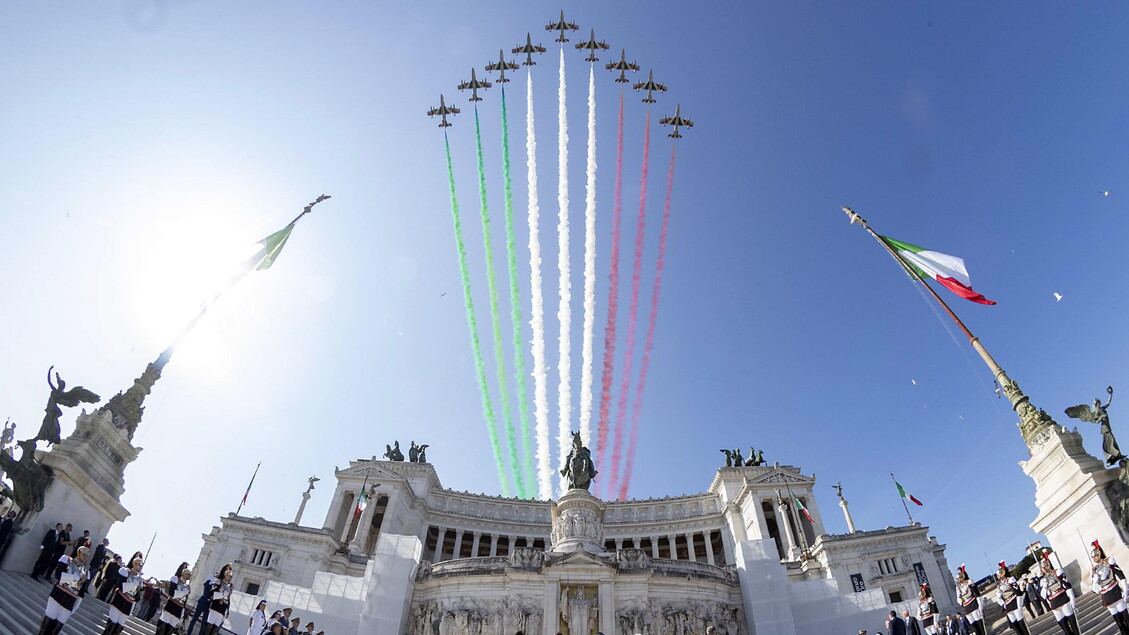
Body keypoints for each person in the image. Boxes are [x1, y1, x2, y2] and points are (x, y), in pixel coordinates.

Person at [38, 545, 89, 634]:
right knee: (47, 624)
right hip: (57, 595)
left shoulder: (86, 572)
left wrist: (75, 606)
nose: (85, 556)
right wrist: (72, 578)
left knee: (56, 628)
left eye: (87, 555)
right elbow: (58, 575)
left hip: (70, 601)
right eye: (84, 554)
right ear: (78, 553)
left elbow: (81, 592)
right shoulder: (67, 560)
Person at [1090, 540, 1129, 635]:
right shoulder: (1094, 570)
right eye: (1093, 556)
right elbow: (1096, 590)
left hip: (1115, 591)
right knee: (1119, 622)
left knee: (1126, 619)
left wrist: (1125, 589)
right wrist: (1095, 582)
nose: (1094, 558)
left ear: (1099, 553)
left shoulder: (1109, 561)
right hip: (1106, 596)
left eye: (1096, 555)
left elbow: (1121, 575)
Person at [1040, 554, 1080, 635]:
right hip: (1054, 604)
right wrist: (1044, 587)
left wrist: (1072, 599)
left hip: (1064, 600)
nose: (1044, 568)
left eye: (1045, 566)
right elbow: (1043, 596)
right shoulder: (1043, 580)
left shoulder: (1057, 572)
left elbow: (1067, 586)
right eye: (1042, 567)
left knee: (1073, 624)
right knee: (1065, 628)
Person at [103, 556, 143, 635]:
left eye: (141, 565)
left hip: (128, 605)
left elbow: (137, 597)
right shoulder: (125, 572)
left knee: (118, 628)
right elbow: (120, 586)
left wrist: (138, 588)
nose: (140, 567)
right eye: (139, 564)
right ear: (134, 564)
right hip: (119, 600)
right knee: (111, 624)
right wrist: (133, 585)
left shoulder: (139, 579)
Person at [994, 561, 1031, 635]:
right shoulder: (999, 584)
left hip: (1014, 602)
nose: (998, 576)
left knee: (1021, 623)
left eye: (998, 574)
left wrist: (1019, 605)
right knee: (1015, 625)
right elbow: (1000, 598)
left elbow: (1018, 592)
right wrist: (999, 596)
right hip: (1008, 606)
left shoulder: (1010, 579)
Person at [155, 565, 192, 635]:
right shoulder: (176, 580)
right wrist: (184, 592)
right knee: (161, 628)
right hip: (170, 607)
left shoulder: (187, 587)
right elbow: (172, 593)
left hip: (178, 611)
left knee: (169, 631)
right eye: (187, 574)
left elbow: (184, 601)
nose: (188, 576)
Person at [201, 563, 233, 635]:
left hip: (222, 610)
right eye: (228, 575)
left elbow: (228, 599)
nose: (229, 577)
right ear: (225, 575)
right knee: (208, 628)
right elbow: (212, 593)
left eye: (230, 576)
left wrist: (227, 610)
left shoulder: (229, 586)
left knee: (215, 630)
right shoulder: (218, 582)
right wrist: (222, 594)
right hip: (215, 607)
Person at [954, 566, 986, 635]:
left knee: (978, 620)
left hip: (973, 603)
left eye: (959, 578)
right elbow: (958, 597)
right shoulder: (958, 587)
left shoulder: (969, 582)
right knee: (972, 623)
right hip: (966, 605)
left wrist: (980, 605)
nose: (958, 580)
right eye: (957, 579)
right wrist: (960, 601)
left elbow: (976, 593)